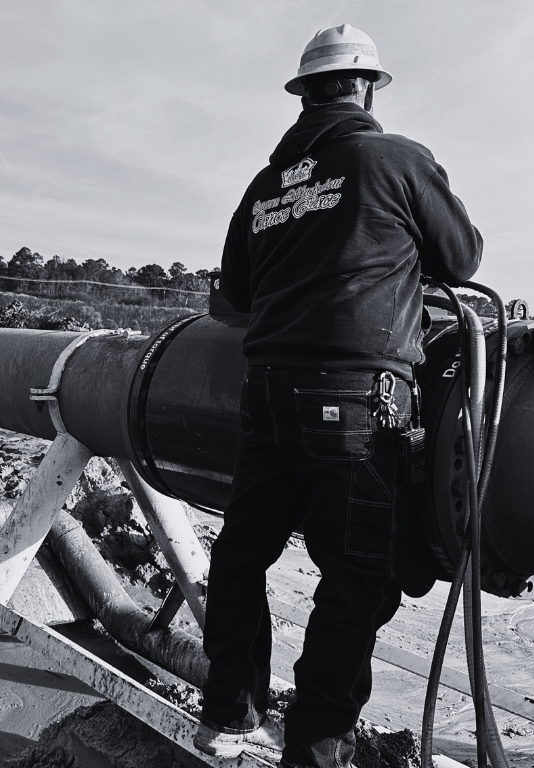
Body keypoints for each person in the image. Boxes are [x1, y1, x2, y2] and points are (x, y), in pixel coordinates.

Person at [195, 24, 482, 768]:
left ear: (304, 94)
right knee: (358, 574)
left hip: (266, 396)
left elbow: (233, 300)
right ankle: (318, 739)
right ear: (364, 87)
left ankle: (230, 708)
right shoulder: (394, 159)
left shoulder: (264, 186)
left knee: (240, 553)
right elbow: (463, 256)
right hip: (357, 402)